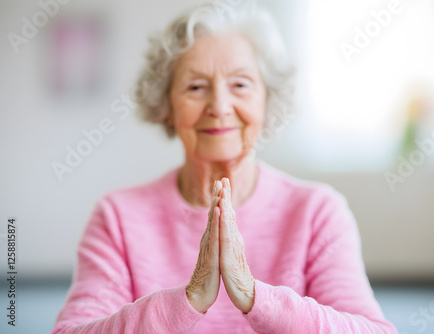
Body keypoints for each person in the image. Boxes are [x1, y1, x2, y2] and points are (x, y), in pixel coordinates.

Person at [51, 1, 397, 333]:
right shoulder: (117, 217)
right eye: (196, 86)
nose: (219, 105)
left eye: (240, 85)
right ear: (166, 105)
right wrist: (187, 302)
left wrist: (253, 296)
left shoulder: (318, 212)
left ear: (267, 101)